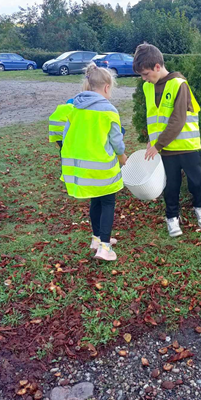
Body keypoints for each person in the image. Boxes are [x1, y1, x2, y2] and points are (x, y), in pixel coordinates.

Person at [133, 43, 201, 237]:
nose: (144, 79)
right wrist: (152, 140)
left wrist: (157, 144)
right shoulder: (147, 88)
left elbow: (178, 120)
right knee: (171, 186)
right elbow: (153, 117)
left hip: (187, 146)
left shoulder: (179, 85)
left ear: (157, 67)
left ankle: (200, 207)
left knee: (197, 182)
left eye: (146, 74)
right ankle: (172, 218)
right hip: (166, 151)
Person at [60, 64, 127, 261]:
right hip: (103, 169)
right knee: (107, 202)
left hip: (81, 171)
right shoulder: (109, 110)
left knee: (95, 201)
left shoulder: (74, 108)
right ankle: (105, 248)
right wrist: (122, 156)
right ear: (106, 87)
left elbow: (66, 136)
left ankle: (96, 239)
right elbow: (117, 141)